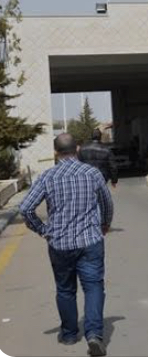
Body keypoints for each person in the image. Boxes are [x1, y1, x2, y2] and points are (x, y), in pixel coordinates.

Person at [19, 133, 113, 357]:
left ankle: (70, 334)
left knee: (65, 289)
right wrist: (105, 224)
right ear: (77, 149)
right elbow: (106, 202)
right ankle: (94, 334)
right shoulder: (92, 173)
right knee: (93, 287)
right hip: (90, 241)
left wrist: (43, 231)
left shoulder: (47, 177)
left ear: (55, 152)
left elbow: (25, 208)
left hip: (60, 244)